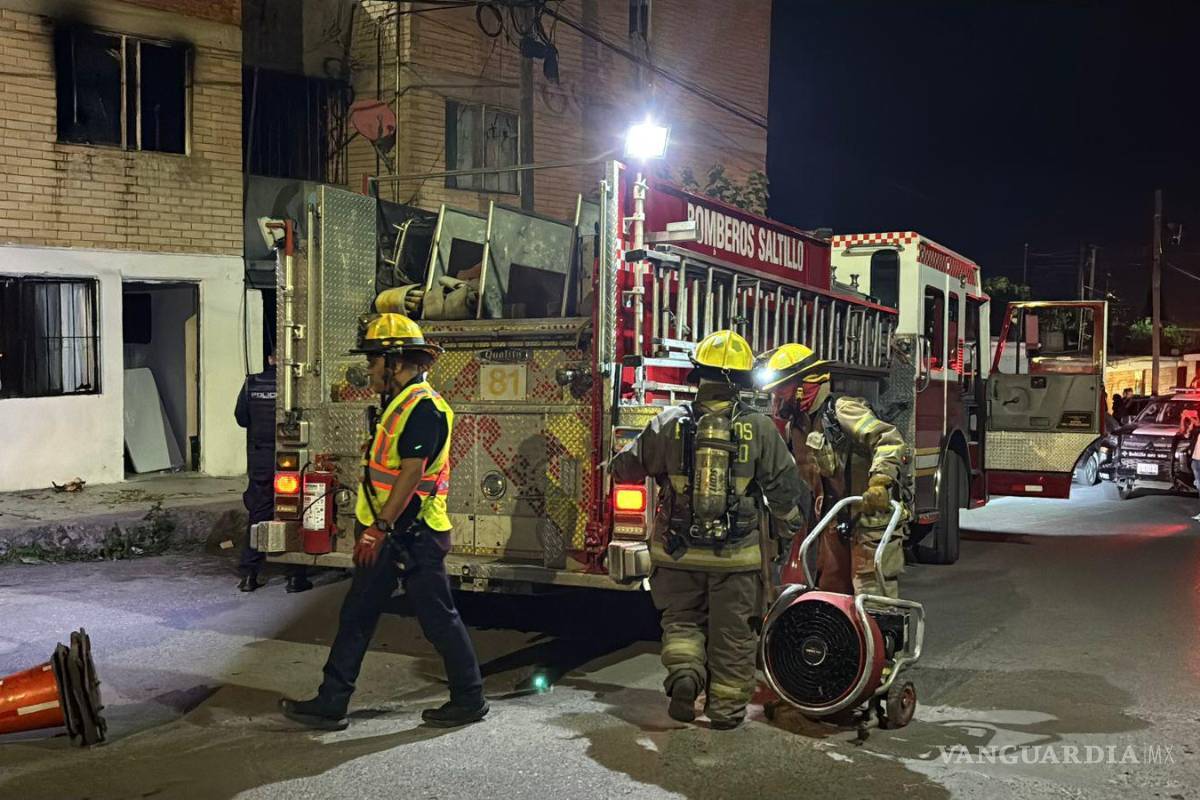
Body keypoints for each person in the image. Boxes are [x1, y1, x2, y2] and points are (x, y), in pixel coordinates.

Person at [280, 313, 486, 731]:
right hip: (394, 531)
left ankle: (470, 698)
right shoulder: (397, 404)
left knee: (437, 616)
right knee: (358, 613)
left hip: (413, 533)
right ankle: (331, 702)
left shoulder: (424, 407)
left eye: (374, 361)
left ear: (396, 363)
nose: (368, 370)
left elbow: (412, 474)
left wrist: (379, 529)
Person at [609, 330, 809, 730]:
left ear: (697, 376)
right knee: (734, 637)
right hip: (736, 559)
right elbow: (786, 490)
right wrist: (790, 528)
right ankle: (725, 711)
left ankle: (685, 676)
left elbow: (624, 467)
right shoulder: (759, 427)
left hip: (676, 553)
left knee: (681, 622)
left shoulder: (668, 422)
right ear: (741, 381)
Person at [757, 343, 910, 598]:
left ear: (804, 385)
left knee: (870, 598)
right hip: (833, 524)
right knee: (831, 600)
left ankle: (879, 638)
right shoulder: (796, 427)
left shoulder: (842, 410)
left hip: (869, 520)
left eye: (781, 390)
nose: (777, 399)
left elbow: (889, 439)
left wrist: (880, 482)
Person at [235, 356, 313, 594]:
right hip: (294, 455)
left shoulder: (253, 383)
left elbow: (241, 418)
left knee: (258, 515)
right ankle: (294, 576)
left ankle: (249, 575)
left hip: (261, 458)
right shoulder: (299, 385)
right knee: (292, 513)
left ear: (270, 359)